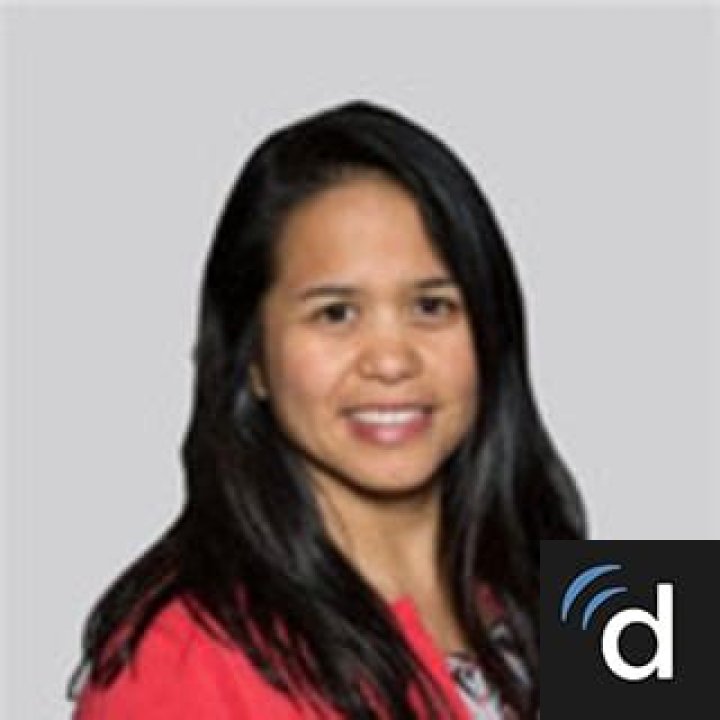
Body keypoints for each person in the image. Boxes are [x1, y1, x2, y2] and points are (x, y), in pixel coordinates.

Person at [68, 100, 587, 719]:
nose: (391, 361)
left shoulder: (586, 595)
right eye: (336, 313)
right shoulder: (177, 661)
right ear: (252, 357)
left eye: (432, 307)